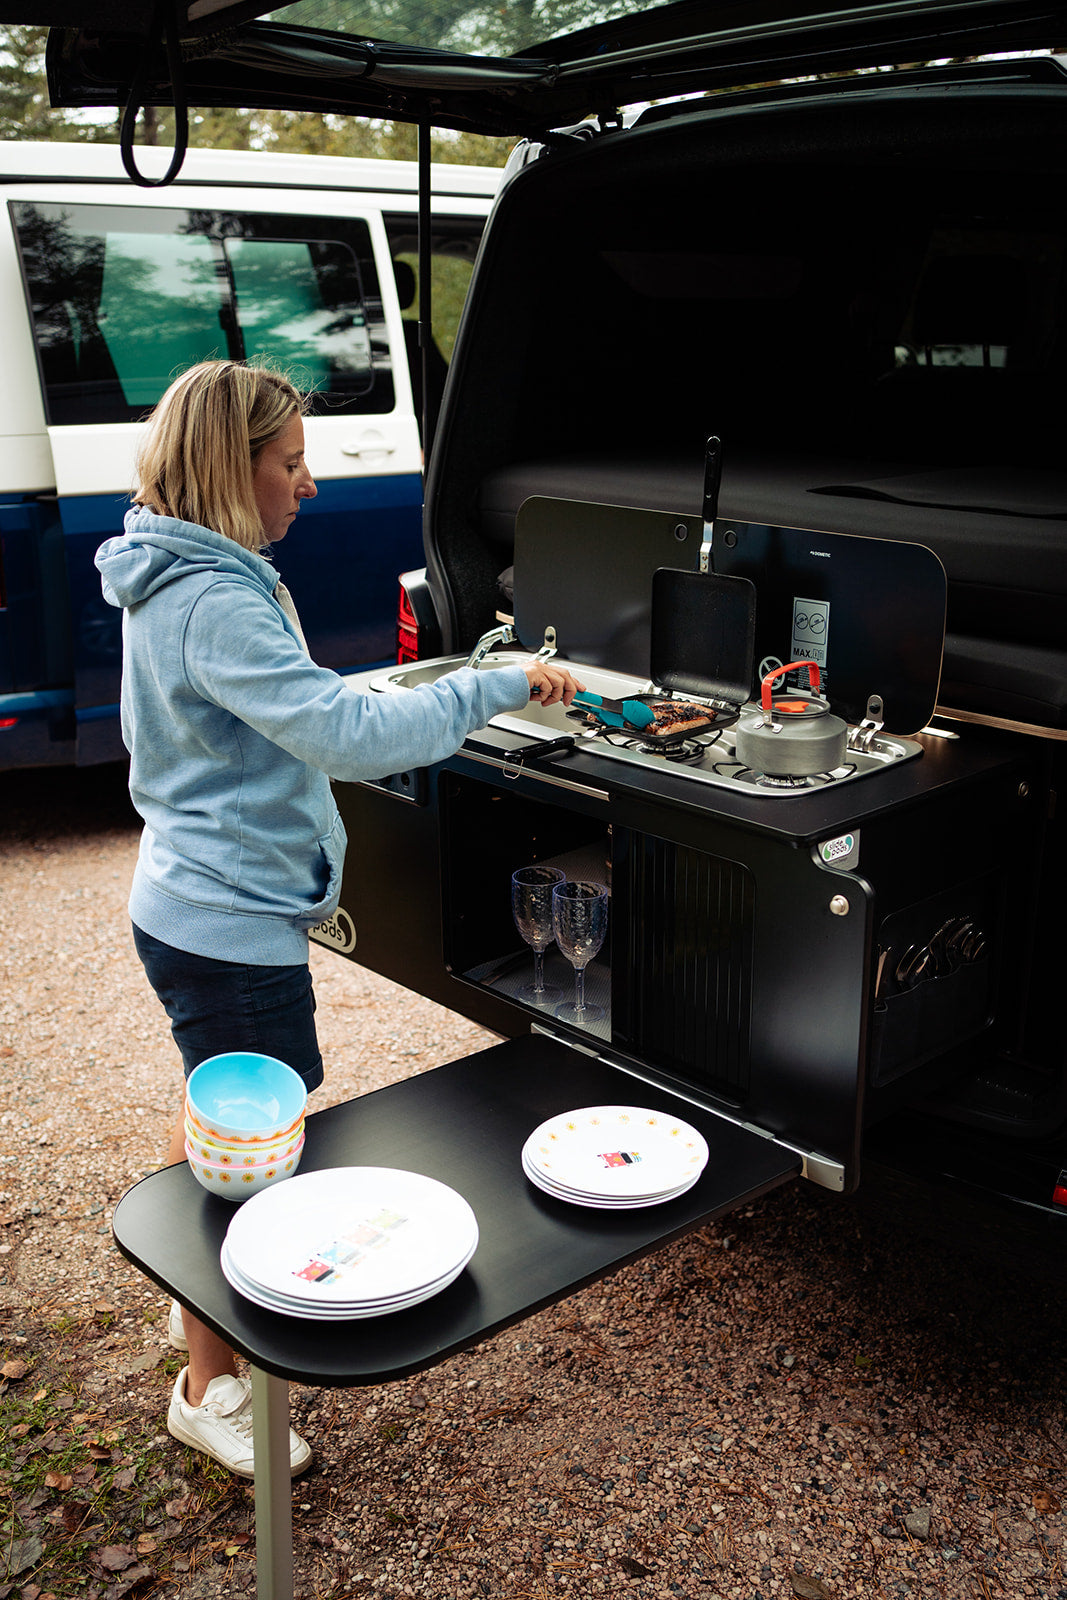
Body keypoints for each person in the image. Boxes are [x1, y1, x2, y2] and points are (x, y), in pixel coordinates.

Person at [95, 359, 581, 1478]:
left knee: (218, 1113)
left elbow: (292, 706)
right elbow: (344, 737)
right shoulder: (217, 597)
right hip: (227, 924)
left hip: (190, 898)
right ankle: (211, 1384)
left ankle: (194, 1308)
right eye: (290, 461)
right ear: (233, 466)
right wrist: (493, 683)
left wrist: (399, 686)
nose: (307, 485)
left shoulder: (185, 571)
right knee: (252, 1154)